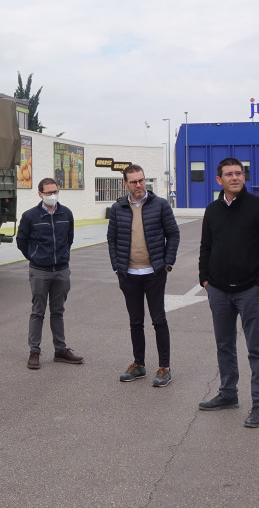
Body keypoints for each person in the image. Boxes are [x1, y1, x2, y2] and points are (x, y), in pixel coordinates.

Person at [198, 157, 259, 428]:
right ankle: (228, 394)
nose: (235, 177)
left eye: (239, 173)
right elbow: (206, 247)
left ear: (244, 177)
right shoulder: (212, 210)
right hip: (218, 291)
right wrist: (204, 279)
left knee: (256, 349)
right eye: (229, 174)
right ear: (218, 180)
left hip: (250, 291)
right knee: (224, 346)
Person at [107, 164, 179, 387]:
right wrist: (117, 267)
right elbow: (112, 239)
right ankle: (139, 364)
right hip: (129, 275)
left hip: (154, 273)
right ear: (125, 184)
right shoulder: (118, 208)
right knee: (135, 322)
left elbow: (173, 234)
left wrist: (167, 264)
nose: (139, 185)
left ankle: (164, 368)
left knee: (159, 320)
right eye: (134, 181)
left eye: (141, 180)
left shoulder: (160, 205)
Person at [16, 177, 83, 369]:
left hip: (61, 270)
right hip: (40, 271)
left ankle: (60, 350)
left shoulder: (66, 214)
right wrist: (34, 256)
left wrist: (63, 256)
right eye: (48, 193)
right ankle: (34, 352)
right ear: (40, 194)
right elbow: (21, 240)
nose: (53, 195)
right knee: (37, 312)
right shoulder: (30, 216)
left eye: (55, 192)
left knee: (58, 311)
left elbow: (69, 239)